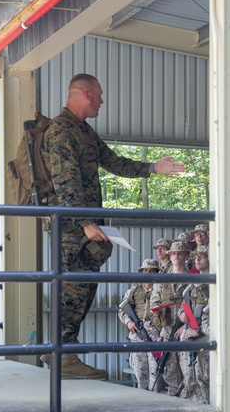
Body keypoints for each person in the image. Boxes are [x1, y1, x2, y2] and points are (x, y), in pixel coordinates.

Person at [43, 73, 184, 379]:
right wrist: (85, 222)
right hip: (72, 230)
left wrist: (151, 168)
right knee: (72, 290)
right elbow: (64, 182)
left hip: (84, 227)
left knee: (84, 289)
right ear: (87, 95)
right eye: (100, 95)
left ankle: (62, 350)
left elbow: (112, 161)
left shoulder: (83, 131)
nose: (103, 101)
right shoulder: (61, 130)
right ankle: (61, 352)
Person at [149, 240, 192, 396]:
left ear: (186, 256)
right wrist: (156, 315)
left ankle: (186, 399)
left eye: (180, 253)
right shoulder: (163, 279)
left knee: (187, 369)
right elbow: (154, 302)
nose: (176, 256)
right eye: (173, 253)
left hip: (184, 330)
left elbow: (196, 305)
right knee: (168, 369)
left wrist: (185, 326)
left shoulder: (193, 279)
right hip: (167, 329)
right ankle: (173, 397)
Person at [118, 258, 162, 391]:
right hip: (137, 334)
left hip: (155, 335)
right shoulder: (134, 291)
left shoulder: (161, 290)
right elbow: (121, 310)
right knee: (140, 372)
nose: (148, 274)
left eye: (151, 271)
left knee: (156, 372)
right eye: (145, 271)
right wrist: (129, 322)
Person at [178, 244, 209, 403]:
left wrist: (200, 331)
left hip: (206, 336)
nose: (197, 260)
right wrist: (182, 314)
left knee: (206, 377)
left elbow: (218, 315)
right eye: (196, 256)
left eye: (202, 256)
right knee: (191, 374)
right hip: (191, 335)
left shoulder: (214, 284)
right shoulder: (191, 286)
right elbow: (183, 305)